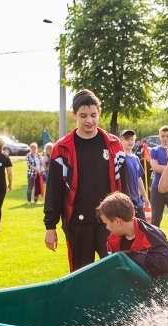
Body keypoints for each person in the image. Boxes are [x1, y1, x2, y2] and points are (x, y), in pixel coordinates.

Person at [44, 89, 125, 273]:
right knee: (81, 277)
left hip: (110, 222)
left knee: (115, 270)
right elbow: (54, 191)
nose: (89, 120)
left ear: (99, 113)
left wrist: (129, 217)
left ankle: (110, 303)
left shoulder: (113, 145)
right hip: (77, 225)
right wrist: (51, 226)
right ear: (74, 115)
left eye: (93, 115)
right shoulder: (61, 149)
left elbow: (124, 185)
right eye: (83, 115)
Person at [96, 191, 168, 278]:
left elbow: (163, 265)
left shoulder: (151, 234)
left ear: (117, 221)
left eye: (106, 223)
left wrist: (128, 257)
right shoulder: (112, 240)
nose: (107, 228)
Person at [119, 129, 150, 221]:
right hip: (125, 200)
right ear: (120, 140)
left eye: (132, 139)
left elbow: (138, 177)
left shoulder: (135, 158)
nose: (130, 141)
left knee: (142, 227)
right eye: (127, 139)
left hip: (137, 200)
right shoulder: (120, 158)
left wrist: (144, 196)